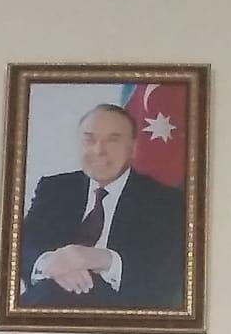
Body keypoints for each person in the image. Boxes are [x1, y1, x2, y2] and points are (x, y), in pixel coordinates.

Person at [19, 105, 185, 310]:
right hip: (45, 305)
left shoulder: (165, 201)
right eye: (89, 139)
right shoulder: (55, 188)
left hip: (119, 313)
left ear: (133, 148)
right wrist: (52, 263)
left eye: (113, 140)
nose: (99, 150)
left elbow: (162, 273)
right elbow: (24, 246)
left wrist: (103, 259)